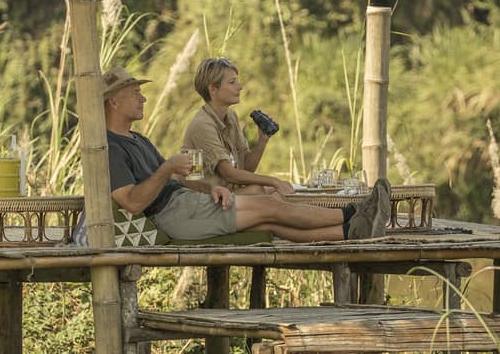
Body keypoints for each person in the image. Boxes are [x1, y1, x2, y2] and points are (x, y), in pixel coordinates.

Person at [102, 66, 389, 241]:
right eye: (135, 93)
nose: (143, 98)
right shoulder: (111, 148)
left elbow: (175, 180)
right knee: (271, 205)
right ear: (114, 101)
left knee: (269, 220)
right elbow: (132, 202)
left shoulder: (138, 139)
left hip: (186, 203)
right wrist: (167, 169)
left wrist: (208, 189)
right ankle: (354, 212)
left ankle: (350, 231)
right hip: (174, 215)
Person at [183, 56, 293, 195]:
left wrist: (262, 140)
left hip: (228, 194)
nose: (240, 87)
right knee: (259, 190)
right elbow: (229, 174)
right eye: (232, 82)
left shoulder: (230, 117)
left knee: (281, 189)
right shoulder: (202, 125)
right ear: (213, 89)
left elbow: (246, 169)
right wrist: (274, 180)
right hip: (206, 198)